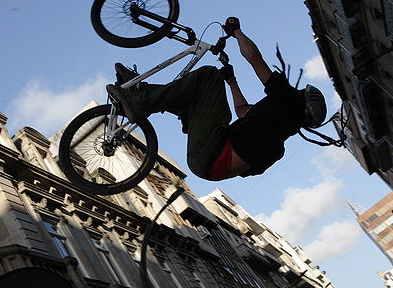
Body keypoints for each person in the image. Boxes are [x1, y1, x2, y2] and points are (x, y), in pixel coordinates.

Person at [106, 17, 327, 182]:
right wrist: (231, 81)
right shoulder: (276, 145)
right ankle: (141, 91)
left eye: (300, 92)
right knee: (193, 101)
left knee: (208, 75)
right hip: (203, 164)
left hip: (212, 150)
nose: (296, 90)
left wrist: (237, 32)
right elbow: (243, 111)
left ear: (302, 101)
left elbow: (254, 57)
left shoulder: (288, 102)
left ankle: (140, 100)